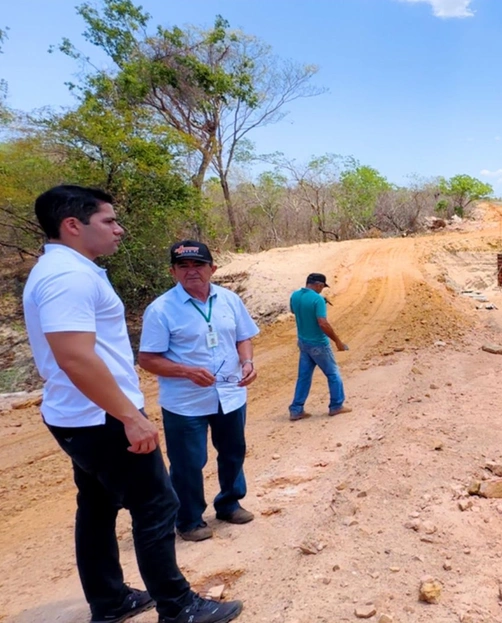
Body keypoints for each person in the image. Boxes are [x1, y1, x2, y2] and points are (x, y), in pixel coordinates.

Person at [22, 185, 242, 623]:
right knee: (157, 505)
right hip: (101, 414)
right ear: (72, 225)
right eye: (109, 221)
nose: (119, 230)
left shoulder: (65, 270)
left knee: (98, 506)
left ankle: (110, 600)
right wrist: (128, 416)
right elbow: (74, 355)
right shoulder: (69, 277)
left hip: (80, 411)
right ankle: (178, 607)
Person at [138, 240, 259, 543]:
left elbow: (244, 336)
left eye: (198, 265)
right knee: (188, 463)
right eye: (183, 266)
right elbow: (147, 359)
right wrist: (186, 371)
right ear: (173, 271)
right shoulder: (161, 309)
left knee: (233, 453)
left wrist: (247, 362)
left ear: (212, 269)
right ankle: (189, 519)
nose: (191, 271)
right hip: (185, 402)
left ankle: (229, 504)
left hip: (230, 394)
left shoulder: (230, 300)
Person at [288, 273, 351, 421]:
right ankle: (336, 405)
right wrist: (338, 341)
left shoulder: (295, 295)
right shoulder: (318, 300)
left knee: (303, 377)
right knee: (333, 374)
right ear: (319, 285)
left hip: (303, 342)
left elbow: (293, 310)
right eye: (322, 287)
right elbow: (323, 323)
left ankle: (296, 409)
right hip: (318, 344)